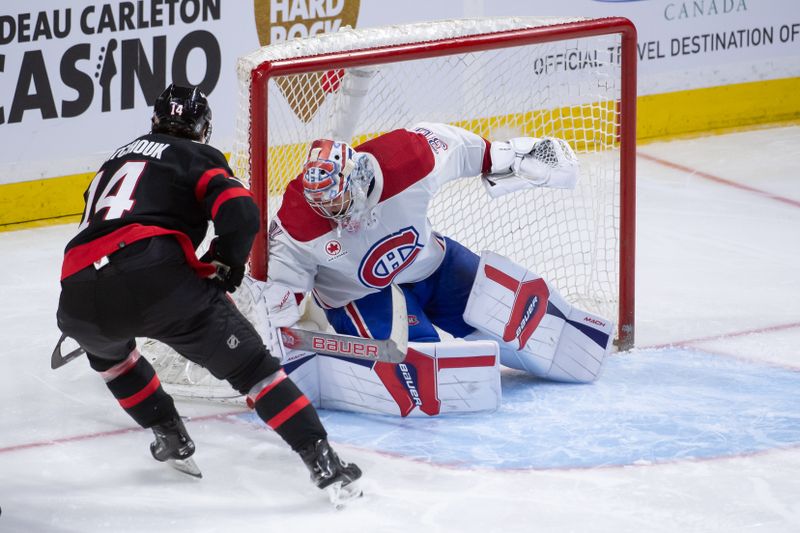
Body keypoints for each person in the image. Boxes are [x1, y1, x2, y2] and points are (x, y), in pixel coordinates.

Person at [55, 84, 361, 502]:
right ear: (203, 128)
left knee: (114, 360)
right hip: (156, 278)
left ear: (155, 121)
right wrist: (227, 263)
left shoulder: (113, 160)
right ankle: (322, 461)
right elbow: (241, 211)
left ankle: (170, 437)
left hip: (76, 291)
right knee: (255, 370)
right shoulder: (196, 155)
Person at [258, 122, 614, 388]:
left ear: (355, 177)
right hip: (361, 297)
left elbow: (459, 149)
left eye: (336, 200)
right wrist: (280, 321)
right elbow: (284, 292)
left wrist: (507, 156)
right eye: (322, 204)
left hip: (431, 265)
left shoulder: (407, 159)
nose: (331, 211)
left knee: (525, 324)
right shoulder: (296, 225)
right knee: (422, 367)